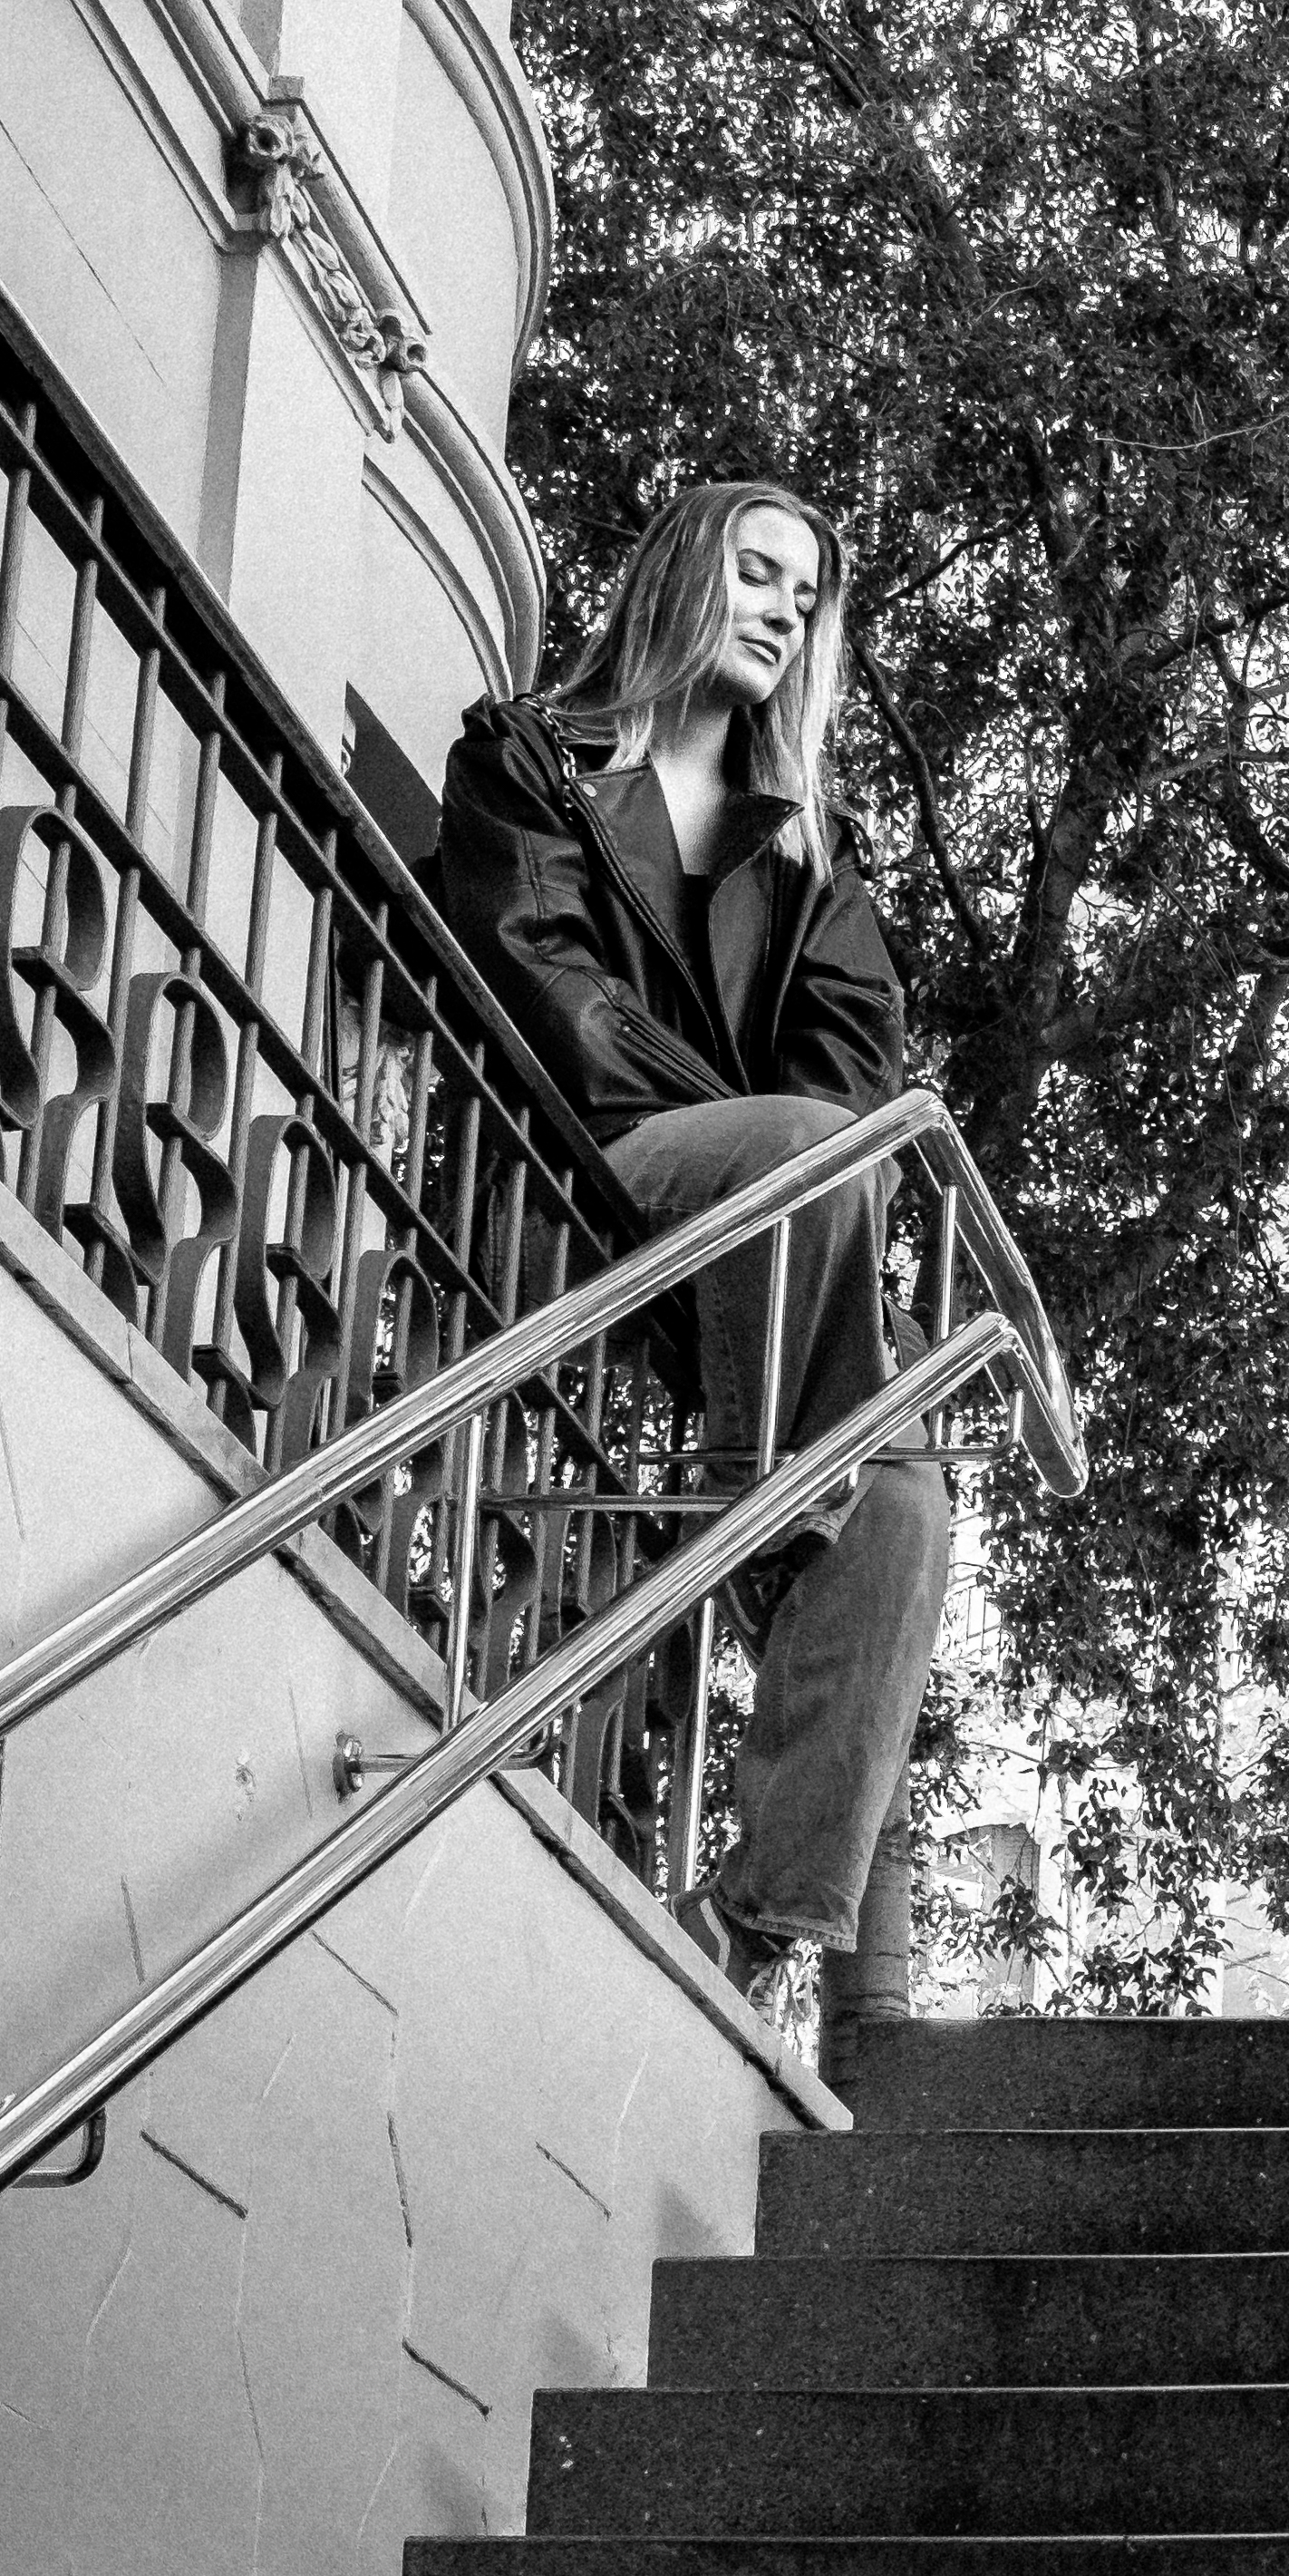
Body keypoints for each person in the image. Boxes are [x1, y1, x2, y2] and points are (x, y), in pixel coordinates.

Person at [426, 481, 951, 2014]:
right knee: (798, 1154)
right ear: (682, 571)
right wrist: (761, 1133)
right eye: (758, 569)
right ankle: (778, 1501)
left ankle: (768, 1921)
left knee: (911, 1493)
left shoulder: (811, 860)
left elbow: (857, 1069)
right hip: (590, 1172)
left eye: (810, 593)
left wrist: (790, 1148)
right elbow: (555, 1002)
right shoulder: (530, 758)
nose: (785, 606)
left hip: (771, 1246)